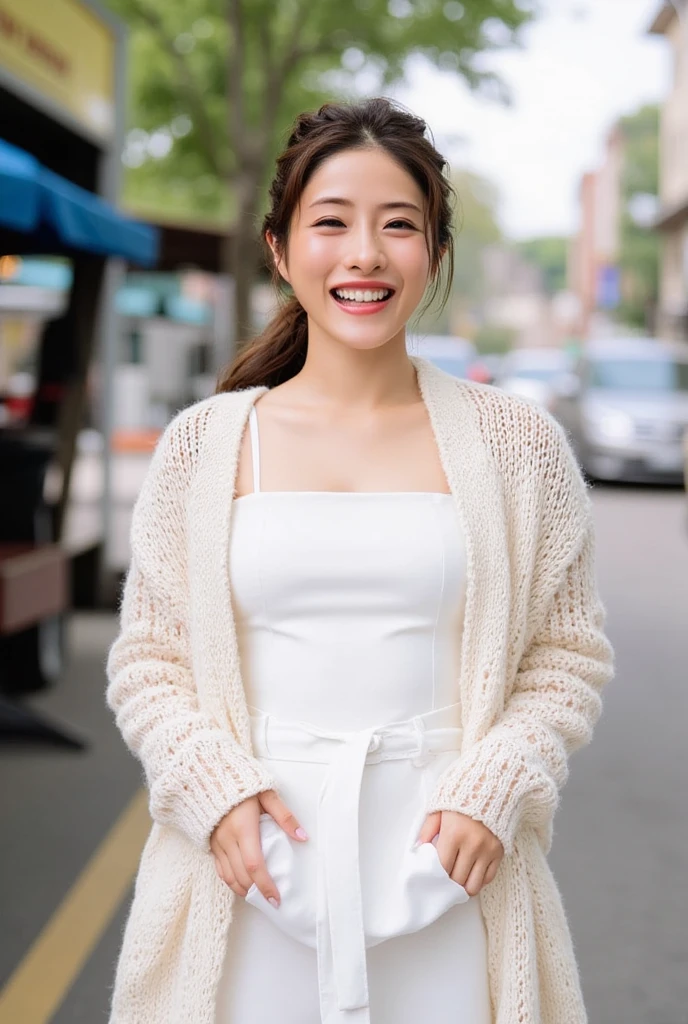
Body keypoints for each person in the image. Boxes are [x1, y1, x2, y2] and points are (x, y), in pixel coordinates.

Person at [105, 98, 614, 1024]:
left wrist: (498, 787)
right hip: (250, 863)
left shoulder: (519, 447)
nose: (364, 254)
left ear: (436, 251)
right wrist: (214, 793)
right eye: (331, 222)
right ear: (279, 247)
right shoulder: (204, 445)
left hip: (449, 863)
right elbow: (150, 659)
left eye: (399, 226)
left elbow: (566, 654)